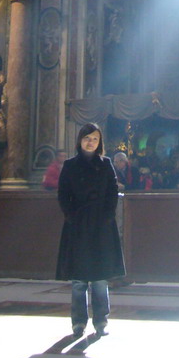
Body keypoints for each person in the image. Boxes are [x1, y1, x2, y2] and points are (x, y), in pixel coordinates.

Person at [56, 122, 125, 339]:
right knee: (78, 279)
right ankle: (78, 323)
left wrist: (107, 215)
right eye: (87, 138)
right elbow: (62, 193)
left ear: (99, 142)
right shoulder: (69, 165)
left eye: (94, 138)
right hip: (78, 223)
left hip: (101, 225)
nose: (90, 142)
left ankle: (101, 321)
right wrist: (70, 215)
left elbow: (113, 191)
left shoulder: (106, 164)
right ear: (80, 140)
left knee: (100, 277)